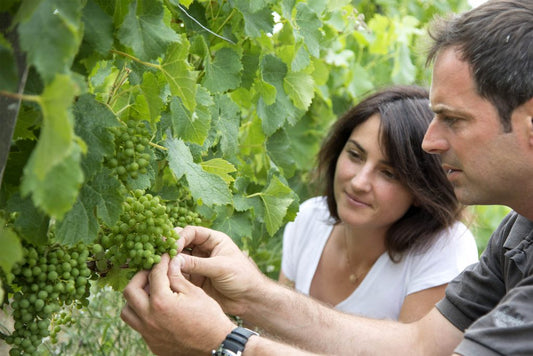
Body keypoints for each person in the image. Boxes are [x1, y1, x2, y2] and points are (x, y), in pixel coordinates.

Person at [120, 0, 533, 355]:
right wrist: (249, 293)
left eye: (453, 119)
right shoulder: (518, 233)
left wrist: (225, 343)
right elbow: (421, 346)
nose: (430, 142)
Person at [279, 86, 478, 322]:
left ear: (420, 190)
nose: (359, 182)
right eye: (355, 155)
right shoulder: (309, 218)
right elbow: (272, 329)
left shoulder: (445, 250)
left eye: (388, 173)